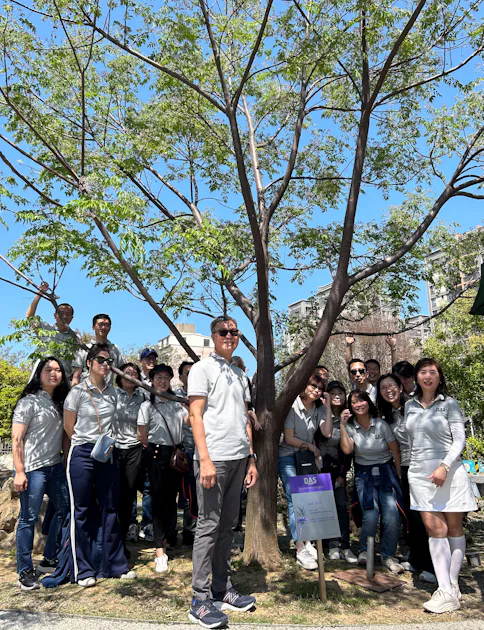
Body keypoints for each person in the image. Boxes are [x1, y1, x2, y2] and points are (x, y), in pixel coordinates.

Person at [187, 316, 258, 629]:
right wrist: (204, 459)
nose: (230, 336)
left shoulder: (240, 373)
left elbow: (245, 419)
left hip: (239, 457)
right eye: (224, 332)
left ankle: (221, 588)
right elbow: (195, 414)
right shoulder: (203, 368)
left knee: (228, 527)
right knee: (208, 525)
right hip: (213, 458)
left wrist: (252, 458)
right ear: (213, 336)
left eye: (234, 332)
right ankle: (199, 600)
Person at [405, 358, 477, 614]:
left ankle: (451, 585)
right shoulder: (409, 406)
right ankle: (445, 589)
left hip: (449, 471)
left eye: (432, 372)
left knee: (454, 528)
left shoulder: (449, 404)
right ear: (416, 377)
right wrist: (415, 468)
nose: (427, 376)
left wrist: (444, 466)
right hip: (420, 474)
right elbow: (412, 443)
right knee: (434, 528)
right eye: (422, 372)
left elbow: (460, 440)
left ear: (439, 377)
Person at [64, 343, 135, 586]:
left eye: (109, 361)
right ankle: (84, 570)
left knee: (110, 508)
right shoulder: (77, 392)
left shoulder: (114, 393)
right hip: (83, 452)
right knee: (82, 511)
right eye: (101, 360)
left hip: (107, 453)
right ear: (89, 363)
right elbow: (68, 426)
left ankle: (115, 565)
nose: (106, 365)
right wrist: (86, 441)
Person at [12, 357, 70, 590]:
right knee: (28, 518)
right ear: (39, 373)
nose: (54, 373)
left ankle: (49, 558)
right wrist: (19, 471)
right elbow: (17, 438)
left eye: (58, 370)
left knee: (65, 510)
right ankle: (25, 570)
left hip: (55, 467)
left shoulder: (61, 402)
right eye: (48, 369)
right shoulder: (29, 402)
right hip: (33, 469)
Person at [376, 373, 435, 583]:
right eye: (383, 388)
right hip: (406, 468)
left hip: (425, 464)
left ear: (401, 388)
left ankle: (434, 566)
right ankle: (419, 560)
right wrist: (401, 473)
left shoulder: (415, 406)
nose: (388, 390)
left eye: (392, 386)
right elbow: (396, 449)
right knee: (412, 515)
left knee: (427, 516)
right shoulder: (388, 416)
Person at [340, 390, 404, 574]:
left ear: (368, 403)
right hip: (364, 473)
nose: (359, 404)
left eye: (362, 400)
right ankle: (365, 552)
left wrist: (398, 476)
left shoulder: (381, 425)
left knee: (392, 514)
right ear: (350, 407)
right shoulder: (352, 427)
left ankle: (388, 556)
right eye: (354, 402)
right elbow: (347, 450)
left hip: (385, 470)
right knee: (370, 514)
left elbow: (395, 451)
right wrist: (343, 426)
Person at [137, 363, 188, 572]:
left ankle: (168, 540)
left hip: (176, 455)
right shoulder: (147, 405)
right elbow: (142, 433)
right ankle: (159, 550)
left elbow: (189, 421)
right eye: (158, 377)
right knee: (158, 502)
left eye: (166, 377)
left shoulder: (177, 403)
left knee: (171, 501)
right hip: (156, 454)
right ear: (152, 380)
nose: (163, 381)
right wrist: (152, 449)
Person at [279, 375, 333, 571]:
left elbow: (327, 433)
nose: (316, 390)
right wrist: (310, 446)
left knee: (308, 499)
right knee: (295, 499)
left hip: (307, 459)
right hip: (289, 457)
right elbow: (288, 438)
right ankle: (300, 546)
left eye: (320, 388)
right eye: (313, 386)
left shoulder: (318, 409)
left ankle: (308, 541)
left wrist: (327, 408)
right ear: (304, 386)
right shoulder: (293, 405)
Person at [317, 381, 357, 564]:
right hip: (322, 469)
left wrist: (342, 473)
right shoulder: (321, 413)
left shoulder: (349, 416)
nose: (337, 395)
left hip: (339, 469)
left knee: (341, 505)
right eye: (333, 392)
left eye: (340, 392)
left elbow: (348, 450)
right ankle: (332, 544)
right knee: (326, 507)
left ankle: (345, 545)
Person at [114, 363, 147, 555]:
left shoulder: (142, 396)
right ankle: (109, 539)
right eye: (126, 373)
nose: (130, 376)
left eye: (134, 374)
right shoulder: (111, 394)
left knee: (128, 496)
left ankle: (122, 540)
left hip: (135, 450)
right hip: (114, 449)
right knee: (112, 495)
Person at [26, 282, 77, 381]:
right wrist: (40, 293)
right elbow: (29, 317)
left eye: (68, 314)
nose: (65, 316)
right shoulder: (45, 328)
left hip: (62, 382)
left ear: (72, 318)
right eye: (61, 313)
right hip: (40, 378)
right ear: (55, 315)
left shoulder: (75, 338)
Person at [174, 360, 197, 547]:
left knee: (197, 495)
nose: (191, 376)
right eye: (187, 373)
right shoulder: (175, 397)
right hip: (183, 450)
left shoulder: (204, 395)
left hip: (203, 450)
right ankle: (178, 532)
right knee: (183, 494)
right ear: (181, 377)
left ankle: (193, 532)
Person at [71, 314, 123, 386]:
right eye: (100, 324)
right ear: (93, 327)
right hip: (86, 392)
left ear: (110, 328)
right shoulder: (83, 349)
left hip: (107, 393)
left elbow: (122, 374)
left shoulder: (115, 349)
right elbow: (76, 376)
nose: (103, 327)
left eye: (106, 325)